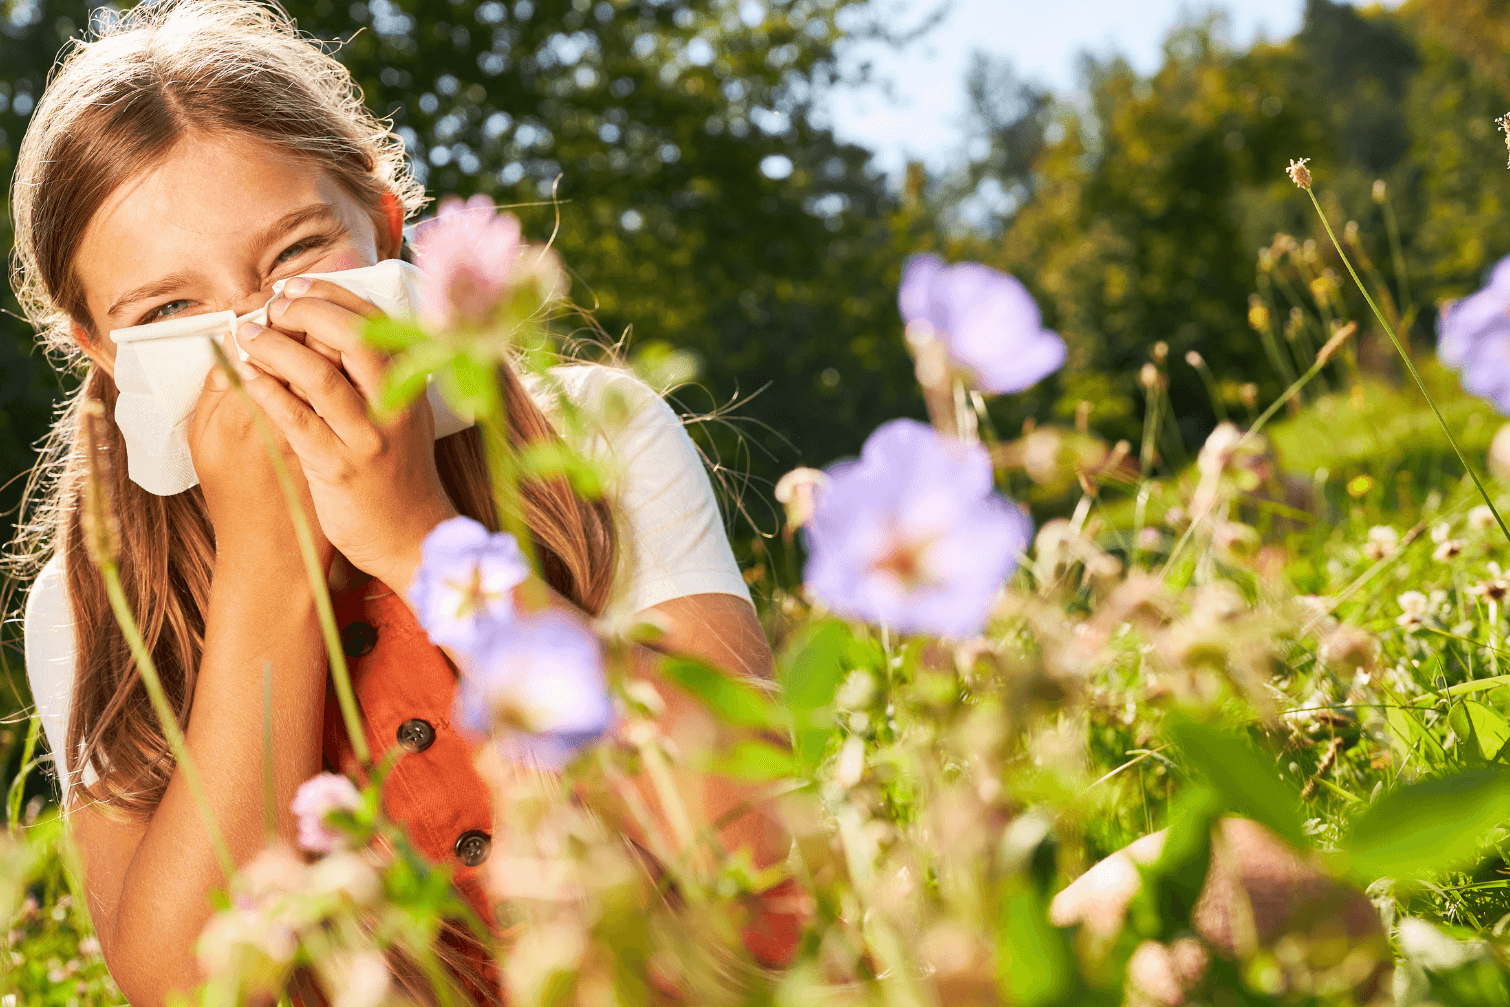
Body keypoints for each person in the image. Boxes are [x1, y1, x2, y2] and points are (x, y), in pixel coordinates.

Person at [10, 0, 793, 1002]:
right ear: (107, 354)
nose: (250, 332)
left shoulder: (590, 434)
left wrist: (420, 540)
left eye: (293, 253)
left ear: (385, 228)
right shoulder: (90, 606)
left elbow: (751, 822)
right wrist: (269, 567)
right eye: (170, 310)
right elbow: (181, 984)